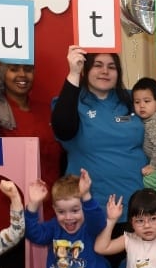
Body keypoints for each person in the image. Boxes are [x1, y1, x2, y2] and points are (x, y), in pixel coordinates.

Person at [0, 51, 63, 268]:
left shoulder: (46, 109)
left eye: (27, 69)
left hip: (46, 215)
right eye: (14, 69)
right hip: (5, 214)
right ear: (3, 72)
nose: (22, 75)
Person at [51, 47, 149, 225]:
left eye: (111, 67)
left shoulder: (133, 99)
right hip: (89, 208)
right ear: (86, 69)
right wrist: (74, 72)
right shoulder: (69, 101)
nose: (105, 71)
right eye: (98, 65)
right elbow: (63, 130)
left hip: (137, 206)